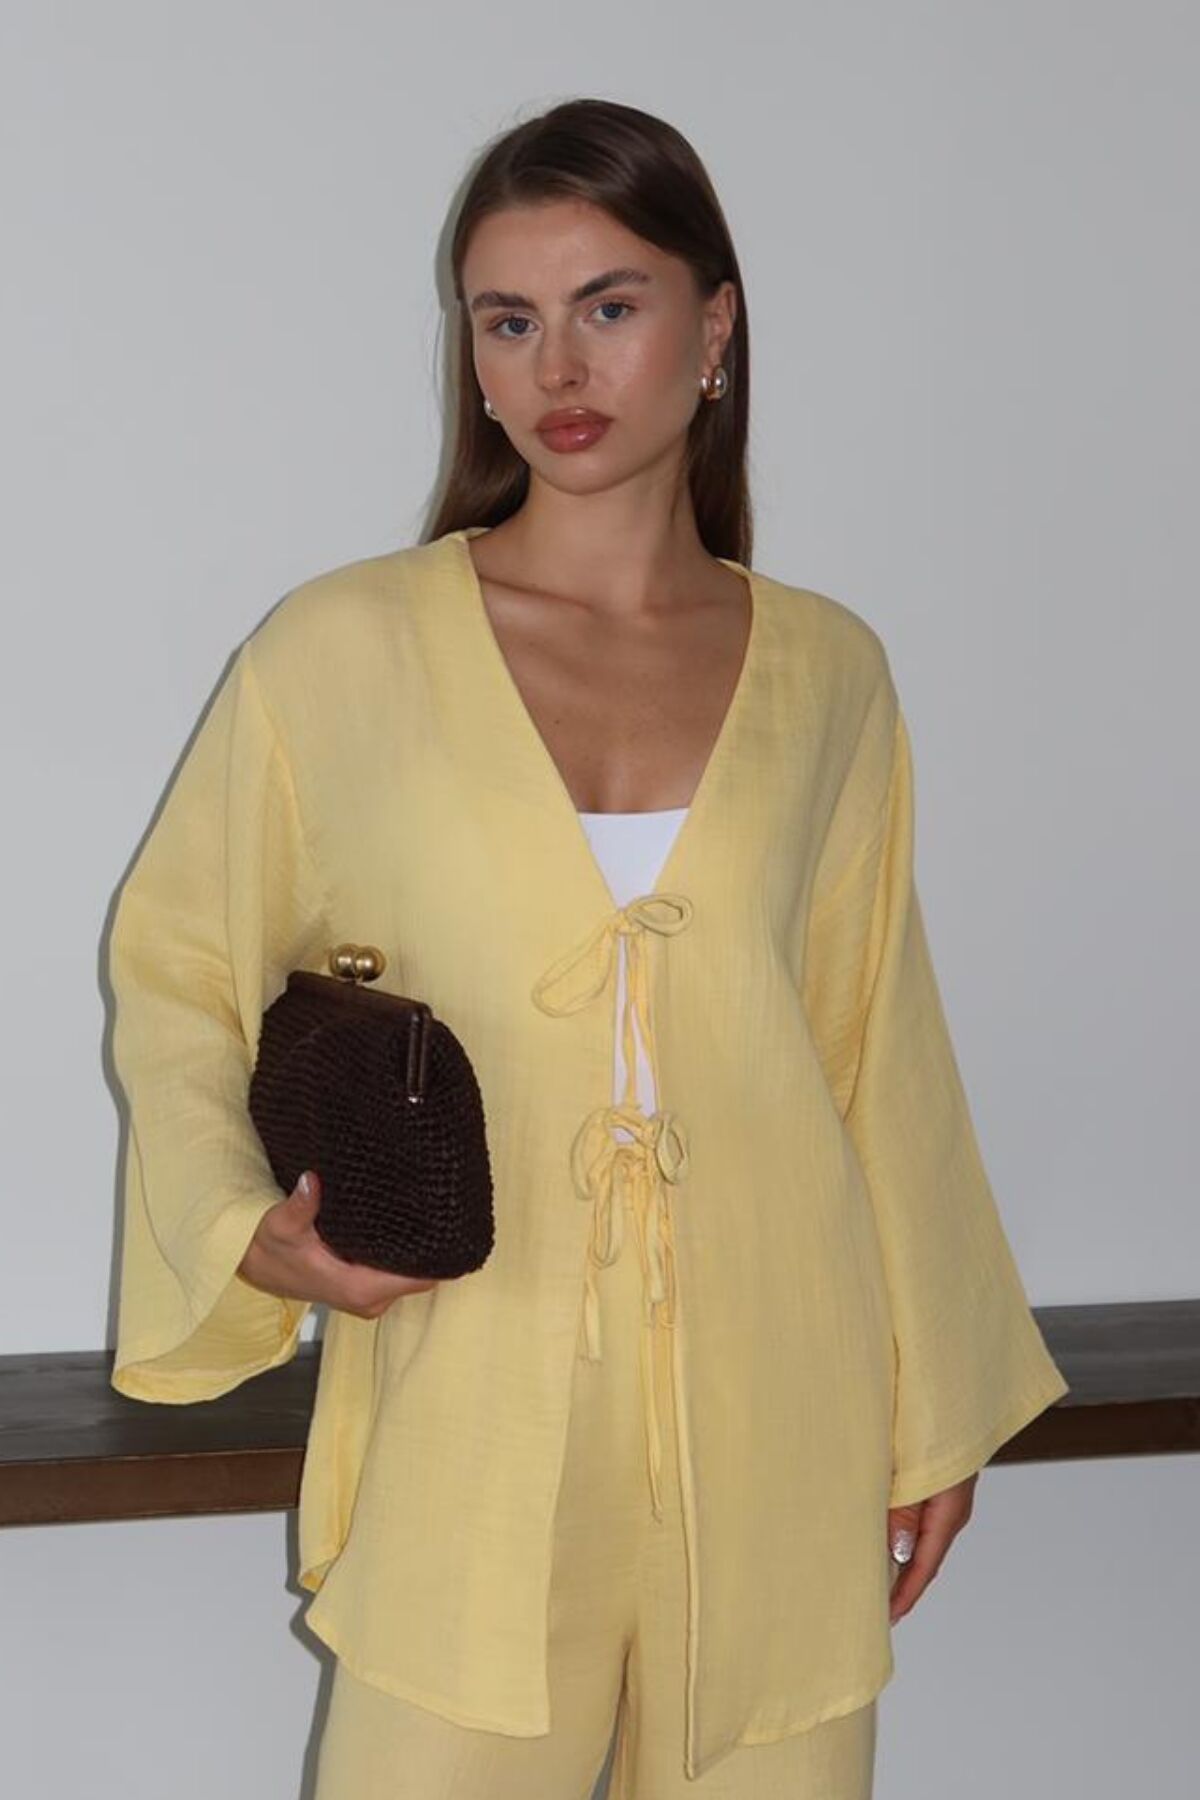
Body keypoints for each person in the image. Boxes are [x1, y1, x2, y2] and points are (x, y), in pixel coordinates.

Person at [106, 97, 1069, 1798]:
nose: (557, 364)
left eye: (609, 305)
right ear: (471, 357)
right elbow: (179, 968)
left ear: (716, 325)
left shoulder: (830, 674)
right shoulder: (342, 651)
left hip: (781, 1401)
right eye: (508, 319)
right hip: (474, 1396)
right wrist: (246, 1228)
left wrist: (931, 1409)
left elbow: (878, 1049)